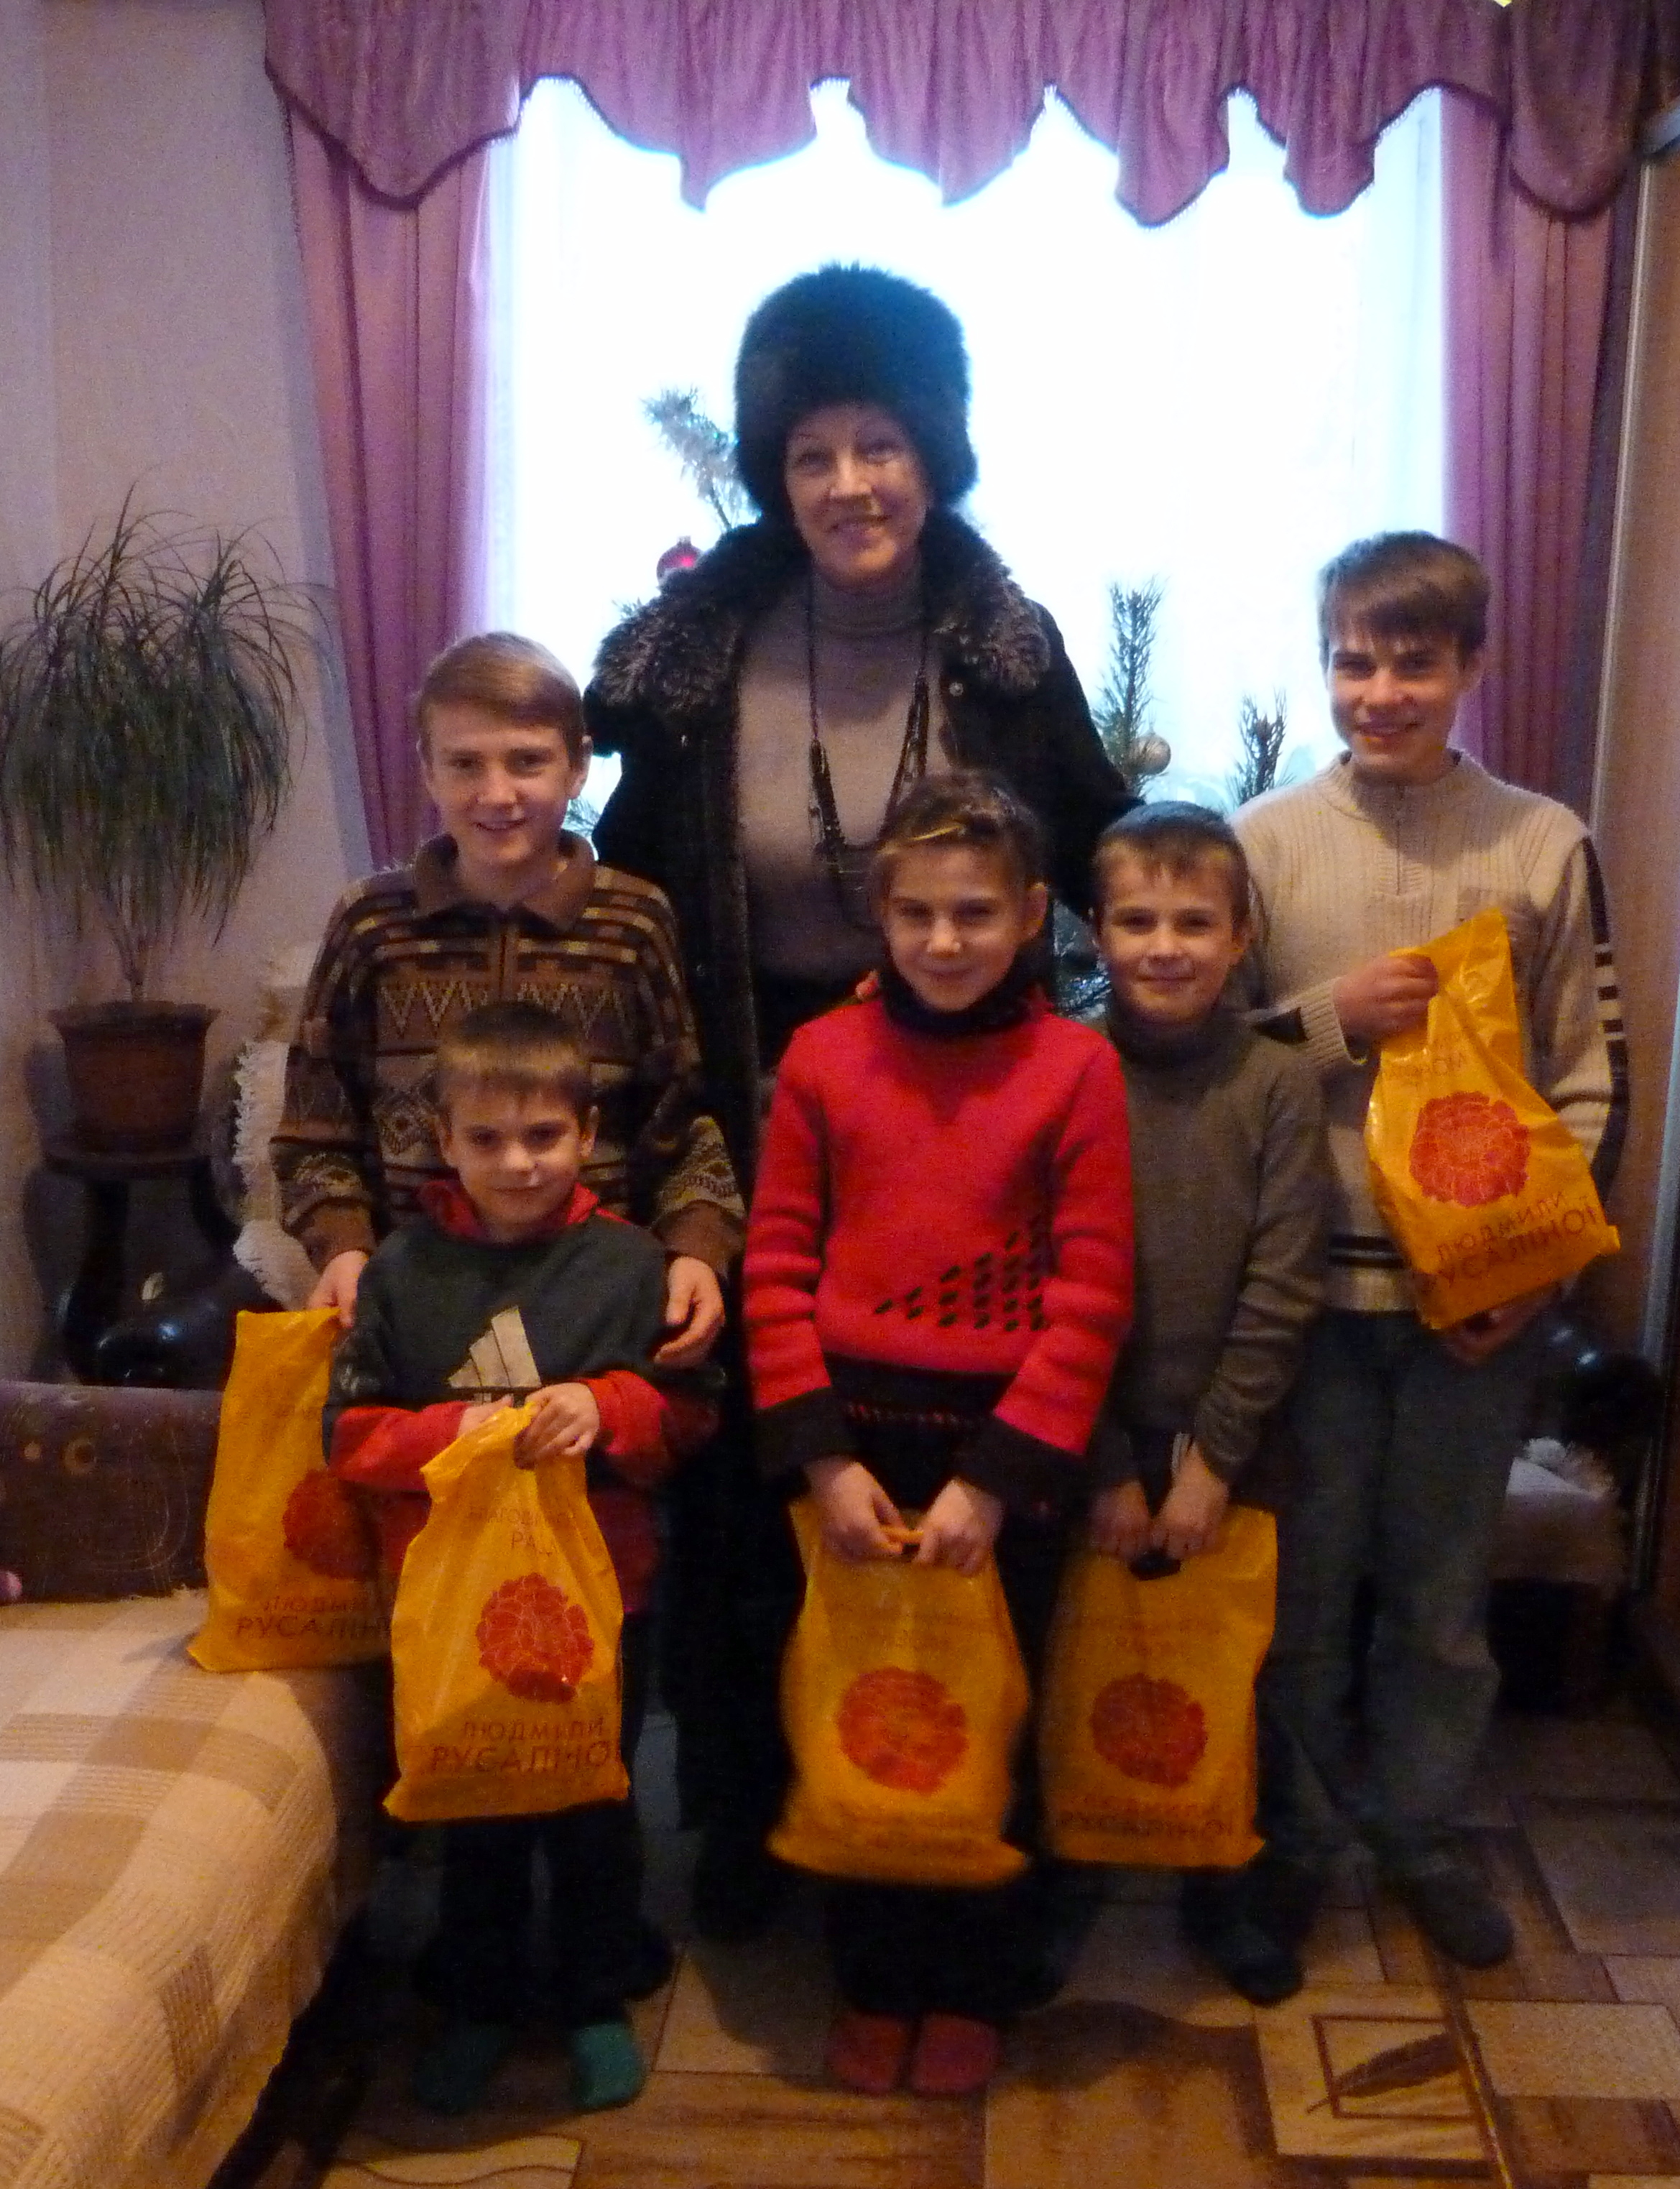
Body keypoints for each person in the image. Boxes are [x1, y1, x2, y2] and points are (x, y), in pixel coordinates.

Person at [583, 264, 1134, 1934]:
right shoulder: (696, 662)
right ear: (774, 471)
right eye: (811, 452)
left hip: (959, 1104)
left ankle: (962, 1823)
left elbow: (1106, 851)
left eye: (878, 444)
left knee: (951, 1475)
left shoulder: (1007, 657)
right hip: (744, 1101)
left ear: (932, 452)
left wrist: (1223, 1017)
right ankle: (751, 1809)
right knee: (755, 1481)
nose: (849, 484)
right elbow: (622, 879)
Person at [1234, 532, 1628, 1969]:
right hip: (1309, 1293)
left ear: (1471, 665)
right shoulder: (1265, 841)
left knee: (1441, 1594)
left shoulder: (1540, 843)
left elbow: (1589, 1077)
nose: (1381, 691)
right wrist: (1325, 1017)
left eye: (1414, 662)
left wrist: (1535, 1274)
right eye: (1354, 661)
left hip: (1476, 1301)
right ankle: (1293, 1835)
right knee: (1303, 1588)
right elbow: (1202, 1063)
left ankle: (1419, 1829)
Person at [744, 770, 1133, 2096]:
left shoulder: (1077, 1069)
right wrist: (821, 1458)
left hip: (1000, 1458)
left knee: (986, 1718)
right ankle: (872, 1976)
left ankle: (969, 1981)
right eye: (917, 913)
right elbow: (775, 1266)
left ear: (1031, 914)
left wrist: (997, 1479)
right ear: (880, 912)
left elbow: (1093, 1291)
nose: (945, 940)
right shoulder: (821, 1057)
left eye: (975, 912)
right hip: (851, 1448)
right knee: (855, 1714)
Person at [324, 1001, 719, 2114]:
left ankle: (595, 1995)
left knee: (596, 1805)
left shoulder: (631, 1264)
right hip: (453, 1597)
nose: (518, 1162)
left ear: (586, 1131)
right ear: (442, 1140)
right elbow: (348, 1437)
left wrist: (609, 1406)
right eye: (488, 1139)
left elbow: (692, 1417)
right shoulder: (402, 1270)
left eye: (543, 1135)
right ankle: (479, 1998)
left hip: (604, 1586)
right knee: (478, 1812)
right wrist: (465, 1431)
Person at [272, 630, 744, 1361]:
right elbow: (314, 1129)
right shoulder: (370, 926)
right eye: (465, 763)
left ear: (578, 766)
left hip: (596, 1311)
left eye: (526, 761)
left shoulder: (634, 922)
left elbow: (680, 1127)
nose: (496, 795)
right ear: (428, 771)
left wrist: (696, 1247)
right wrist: (341, 1244)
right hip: (418, 1309)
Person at [1084, 803, 1330, 2004]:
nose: (1165, 946)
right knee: (1082, 1660)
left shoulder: (1277, 1083)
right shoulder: (1065, 1067)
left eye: (1194, 922)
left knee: (1237, 1678)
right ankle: (1071, 1878)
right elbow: (1043, 1275)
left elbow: (1284, 1283)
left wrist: (1211, 1461)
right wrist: (1102, 1462)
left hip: (1236, 1443)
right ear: (1096, 930)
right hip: (1086, 1433)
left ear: (1242, 936)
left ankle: (1227, 1892)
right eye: (1137, 920)